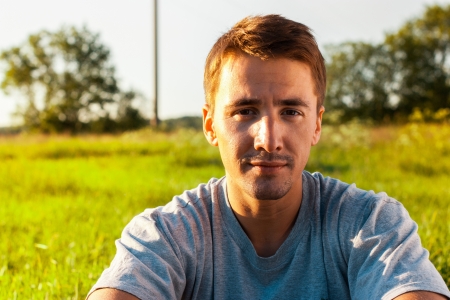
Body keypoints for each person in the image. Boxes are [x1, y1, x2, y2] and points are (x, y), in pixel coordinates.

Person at [88, 15, 450, 300]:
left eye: (291, 111)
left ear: (317, 125)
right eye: (245, 111)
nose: (269, 139)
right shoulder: (166, 234)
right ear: (210, 125)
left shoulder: (371, 224)